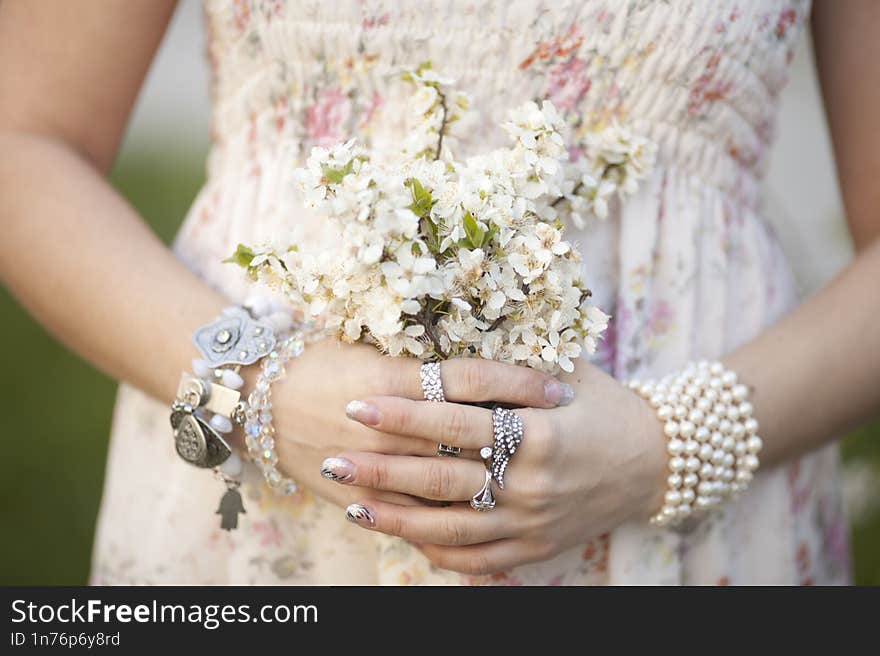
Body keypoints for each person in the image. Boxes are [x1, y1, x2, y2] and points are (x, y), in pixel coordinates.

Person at [0, 0, 876, 585]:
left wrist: (669, 443)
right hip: (271, 512)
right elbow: (24, 140)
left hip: (687, 518)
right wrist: (261, 387)